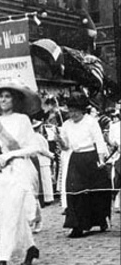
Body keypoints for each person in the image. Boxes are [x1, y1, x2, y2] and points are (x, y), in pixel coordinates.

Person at [0, 81, 44, 265]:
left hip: (19, 169)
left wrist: (10, 154)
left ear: (14, 100)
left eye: (7, 96)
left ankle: (3, 258)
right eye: (1, 96)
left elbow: (33, 148)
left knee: (11, 215)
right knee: (9, 213)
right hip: (1, 174)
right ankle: (31, 248)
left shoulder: (22, 119)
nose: (3, 99)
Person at [56, 92, 111, 238]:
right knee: (74, 191)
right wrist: (60, 141)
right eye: (70, 111)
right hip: (76, 159)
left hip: (91, 158)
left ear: (82, 109)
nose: (72, 114)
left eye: (75, 111)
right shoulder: (66, 124)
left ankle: (101, 220)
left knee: (94, 192)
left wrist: (101, 160)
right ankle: (77, 226)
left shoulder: (90, 121)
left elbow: (99, 140)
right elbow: (66, 146)